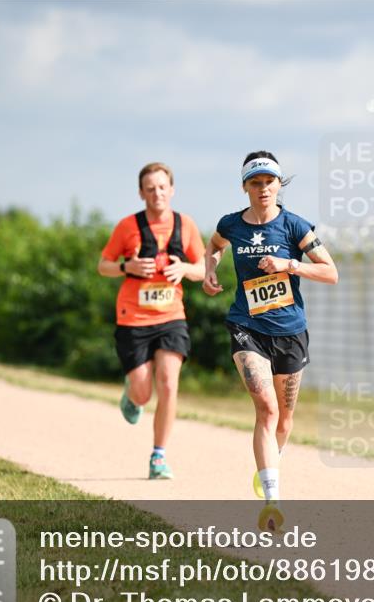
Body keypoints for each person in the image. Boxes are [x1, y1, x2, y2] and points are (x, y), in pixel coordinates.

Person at [203, 151, 338, 530]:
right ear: (245, 187)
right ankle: (272, 498)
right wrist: (209, 271)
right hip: (246, 325)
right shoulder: (231, 225)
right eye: (256, 182)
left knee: (284, 417)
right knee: (266, 408)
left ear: (279, 185)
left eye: (269, 182)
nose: (263, 189)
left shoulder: (295, 227)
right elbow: (213, 246)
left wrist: (290, 264)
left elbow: (331, 272)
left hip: (290, 330)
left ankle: (270, 462)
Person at [98, 162, 206, 480]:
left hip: (172, 317)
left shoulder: (185, 225)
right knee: (144, 393)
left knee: (169, 383)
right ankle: (132, 394)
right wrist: (125, 268)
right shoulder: (127, 226)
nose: (157, 193)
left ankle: (158, 457)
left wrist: (184, 270)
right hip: (133, 319)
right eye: (150, 188)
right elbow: (103, 265)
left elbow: (201, 269)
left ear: (171, 190)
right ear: (141, 193)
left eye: (162, 187)